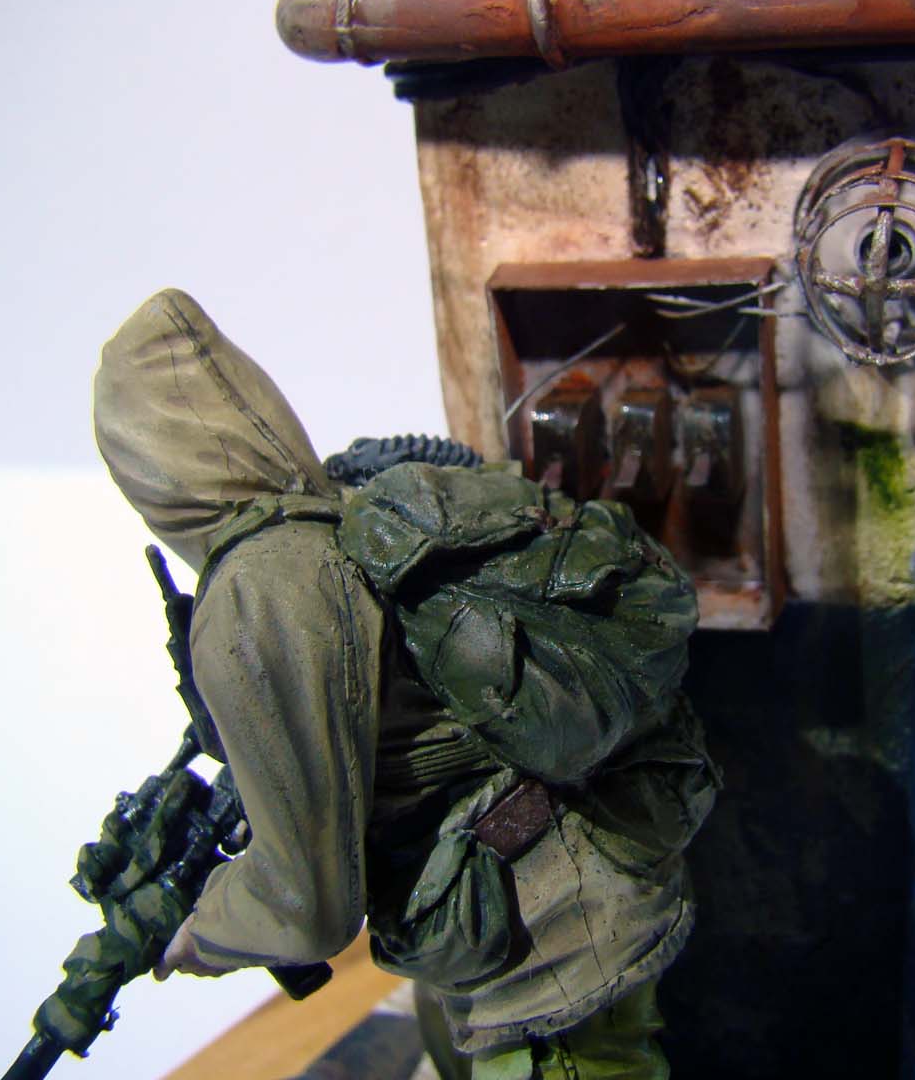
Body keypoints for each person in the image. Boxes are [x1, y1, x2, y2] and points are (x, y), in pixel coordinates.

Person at [92, 289, 717, 1079]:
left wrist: (201, 929)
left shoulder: (257, 590)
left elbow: (308, 910)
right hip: (573, 873)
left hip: (543, 945)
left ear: (154, 473)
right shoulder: (344, 505)